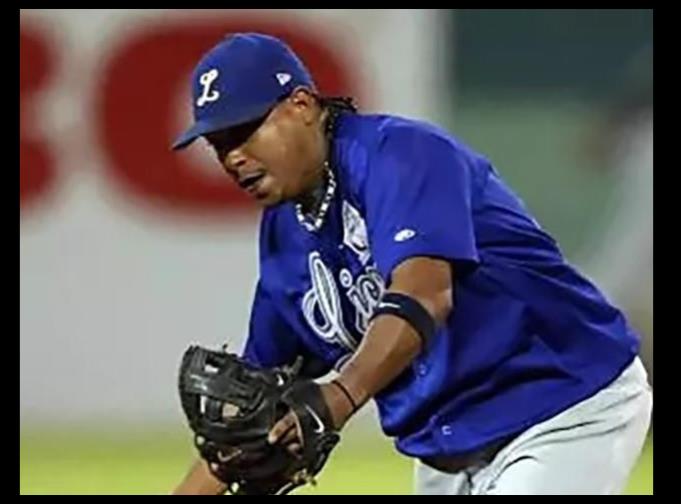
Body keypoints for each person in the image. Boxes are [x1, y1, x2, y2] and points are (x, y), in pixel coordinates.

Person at [169, 32, 652, 495]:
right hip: (451, 450)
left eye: (244, 130)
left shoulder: (400, 156)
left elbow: (424, 294)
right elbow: (255, 400)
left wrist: (337, 397)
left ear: (301, 104)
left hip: (562, 404)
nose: (232, 156)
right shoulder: (285, 233)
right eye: (217, 143)